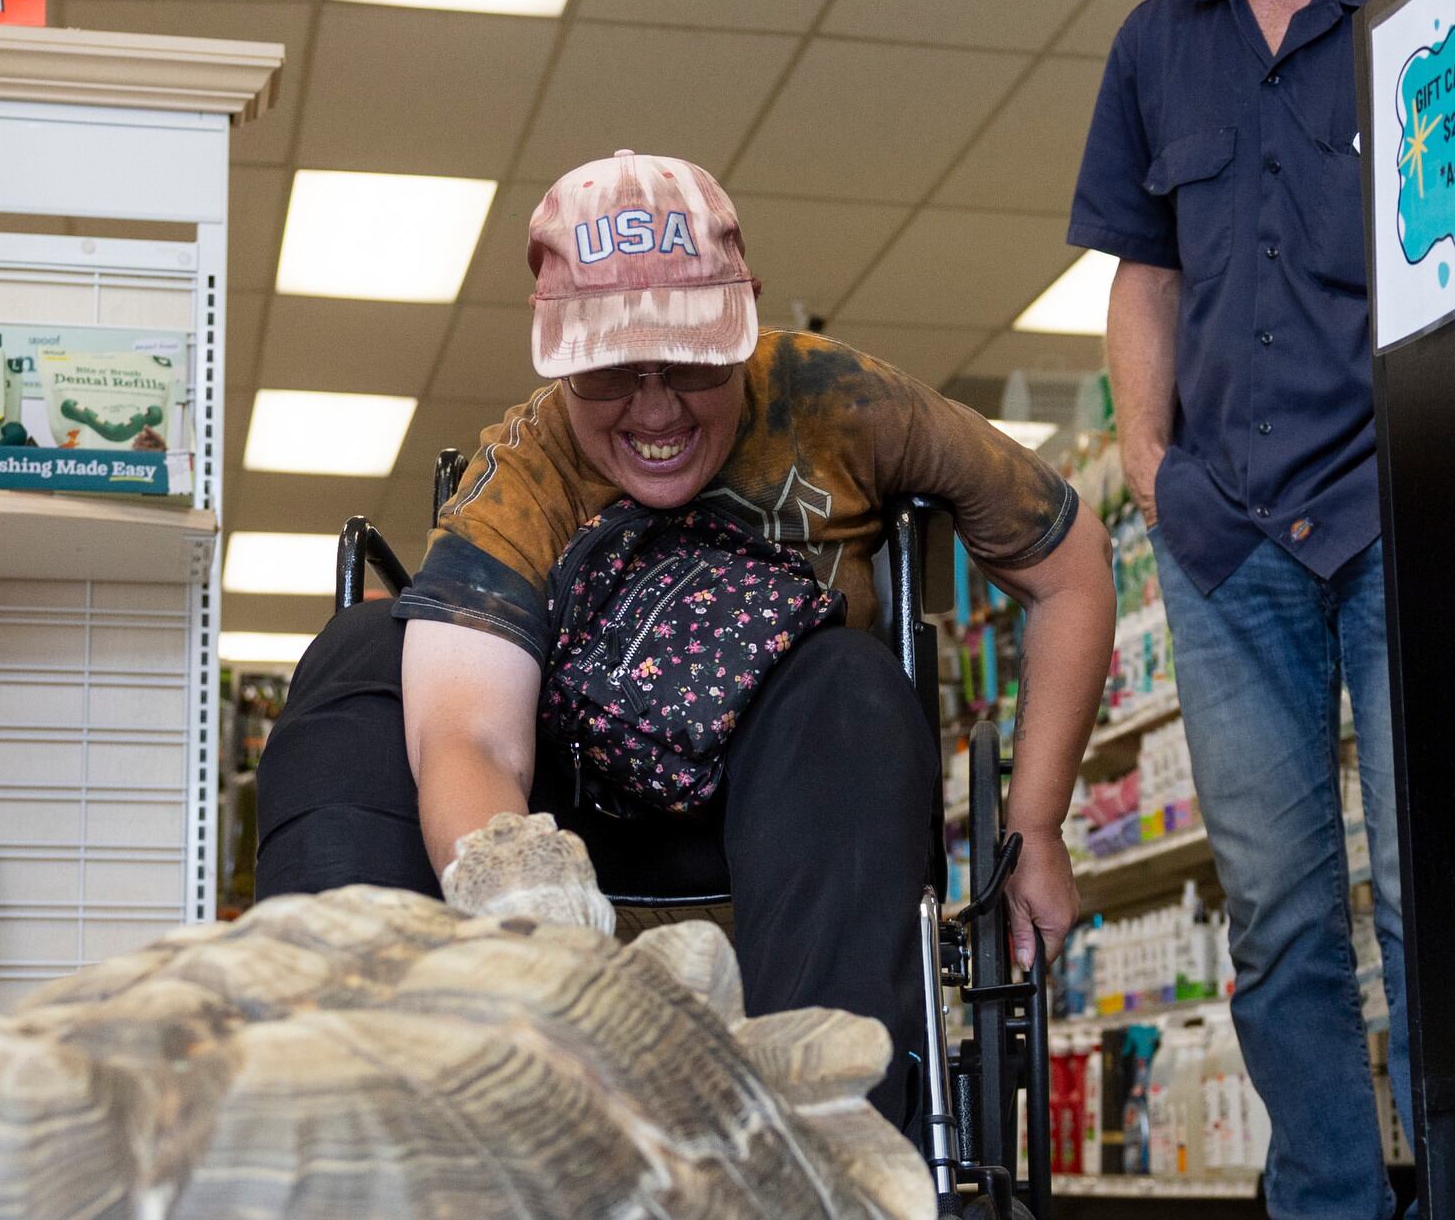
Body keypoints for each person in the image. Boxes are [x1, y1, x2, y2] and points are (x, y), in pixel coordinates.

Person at [255, 151, 1113, 1119]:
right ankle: (351, 1098)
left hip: (795, 809)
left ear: (739, 330)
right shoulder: (523, 475)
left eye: (695, 367)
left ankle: (827, 1145)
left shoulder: (844, 400)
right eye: (615, 375)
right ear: (565, 360)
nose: (657, 410)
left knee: (849, 674)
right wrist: (530, 912)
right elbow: (472, 736)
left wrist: (1034, 826)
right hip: (578, 822)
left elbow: (1070, 565)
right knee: (369, 647)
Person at [1067, 0, 1432, 1220]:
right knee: (1284, 908)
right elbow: (1143, 268)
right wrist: (1145, 463)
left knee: (1433, 891)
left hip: (1401, 498)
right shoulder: (1158, 46)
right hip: (1224, 540)